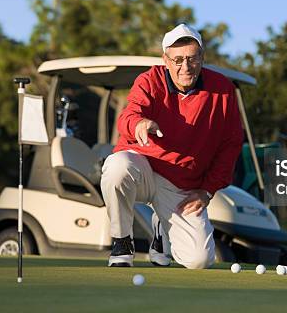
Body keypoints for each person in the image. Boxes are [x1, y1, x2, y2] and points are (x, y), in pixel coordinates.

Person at [100, 23, 244, 269]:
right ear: (165, 60)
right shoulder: (148, 80)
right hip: (143, 167)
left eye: (191, 58)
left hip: (182, 184)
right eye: (177, 60)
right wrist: (139, 123)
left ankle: (160, 228)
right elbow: (129, 116)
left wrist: (207, 191)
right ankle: (122, 241)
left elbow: (231, 145)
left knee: (199, 260)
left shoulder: (223, 90)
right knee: (116, 166)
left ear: (202, 57)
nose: (185, 67)